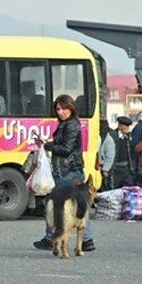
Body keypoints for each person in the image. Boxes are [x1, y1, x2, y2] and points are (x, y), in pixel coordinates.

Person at [33, 95, 95, 252]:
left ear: (71, 108)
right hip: (69, 170)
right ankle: (86, 240)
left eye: (64, 108)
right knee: (79, 203)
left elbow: (67, 149)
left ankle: (50, 238)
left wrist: (48, 146)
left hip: (68, 170)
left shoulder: (72, 125)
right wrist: (48, 143)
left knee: (54, 203)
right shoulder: (66, 124)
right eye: (58, 109)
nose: (60, 112)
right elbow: (63, 144)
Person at [99, 116, 136, 188]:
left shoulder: (128, 137)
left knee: (128, 188)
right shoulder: (112, 136)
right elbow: (105, 152)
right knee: (113, 188)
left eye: (128, 127)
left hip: (126, 168)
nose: (127, 129)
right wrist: (105, 168)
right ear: (120, 126)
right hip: (115, 168)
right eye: (125, 126)